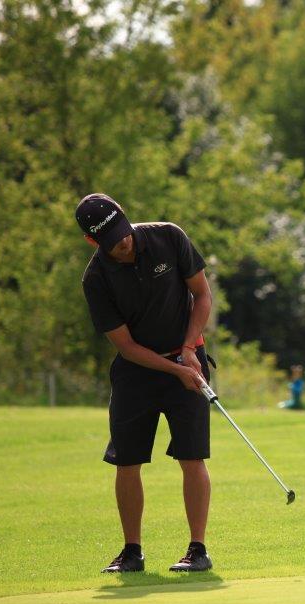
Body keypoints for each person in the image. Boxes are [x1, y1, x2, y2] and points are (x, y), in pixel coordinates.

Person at [77, 193, 215, 573]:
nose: (123, 243)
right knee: (127, 460)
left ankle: (198, 549)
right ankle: (132, 552)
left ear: (125, 215)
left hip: (188, 357)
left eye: (122, 231)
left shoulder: (168, 237)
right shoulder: (96, 278)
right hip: (136, 371)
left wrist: (188, 349)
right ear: (92, 240)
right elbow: (126, 346)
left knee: (192, 455)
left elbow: (202, 294)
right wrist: (173, 369)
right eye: (111, 240)